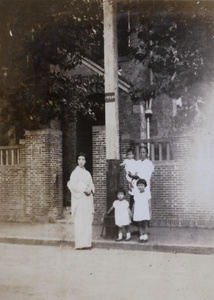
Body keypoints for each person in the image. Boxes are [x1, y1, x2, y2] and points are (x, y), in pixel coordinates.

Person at [67, 152, 94, 250]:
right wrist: (83, 189)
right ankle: (79, 244)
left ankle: (87, 243)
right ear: (77, 161)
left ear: (86, 161)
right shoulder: (74, 173)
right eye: (79, 159)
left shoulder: (87, 173)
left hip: (87, 199)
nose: (81, 161)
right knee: (80, 221)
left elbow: (91, 184)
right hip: (79, 199)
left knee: (87, 220)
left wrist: (90, 190)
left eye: (83, 159)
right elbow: (72, 185)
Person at [129, 146, 154, 217]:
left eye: (144, 152)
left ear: (146, 154)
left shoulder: (149, 164)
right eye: (140, 152)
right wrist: (131, 181)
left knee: (144, 203)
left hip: (144, 186)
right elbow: (133, 173)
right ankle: (136, 222)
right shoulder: (137, 163)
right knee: (136, 202)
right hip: (136, 186)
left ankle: (145, 222)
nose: (142, 154)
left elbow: (146, 175)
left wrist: (136, 175)